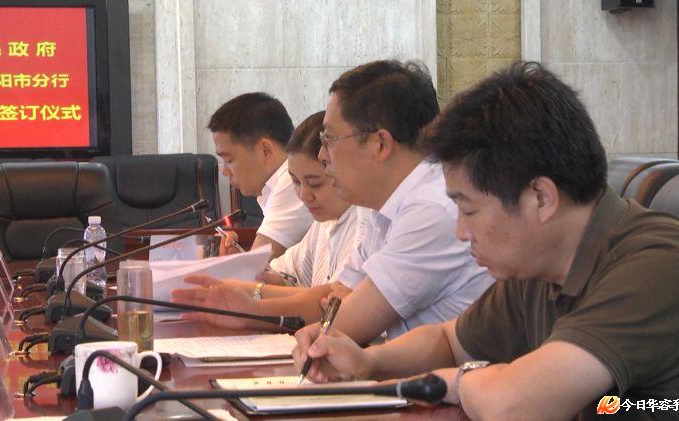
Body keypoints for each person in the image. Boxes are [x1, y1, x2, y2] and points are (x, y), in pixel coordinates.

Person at [291, 62, 679, 420]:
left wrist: (456, 383)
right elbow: (449, 341)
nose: (460, 231)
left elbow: (514, 403)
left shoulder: (658, 267)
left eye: (469, 210)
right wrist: (368, 361)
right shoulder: (540, 265)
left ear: (540, 197)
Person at [173, 60, 493, 344]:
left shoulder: (431, 209)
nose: (323, 156)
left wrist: (252, 310)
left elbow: (346, 322)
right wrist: (245, 301)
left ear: (380, 143)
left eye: (329, 139)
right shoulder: (384, 207)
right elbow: (334, 296)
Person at [184, 111, 369, 303]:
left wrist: (251, 290)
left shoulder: (364, 225)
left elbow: (330, 304)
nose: (304, 196)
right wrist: (246, 268)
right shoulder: (323, 224)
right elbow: (287, 276)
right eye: (296, 182)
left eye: (315, 184)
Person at [208, 92, 313, 259]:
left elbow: (254, 267)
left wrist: (236, 263)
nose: (224, 171)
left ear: (265, 151)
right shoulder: (276, 184)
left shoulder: (292, 182)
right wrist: (237, 257)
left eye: (229, 160)